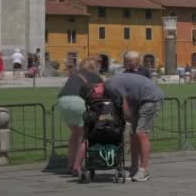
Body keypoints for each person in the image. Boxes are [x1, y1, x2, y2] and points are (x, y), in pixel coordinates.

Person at [106, 51, 164, 182]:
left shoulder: (111, 84)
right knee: (133, 134)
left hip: (150, 99)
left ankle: (143, 170)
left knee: (141, 133)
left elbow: (124, 102)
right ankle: (133, 168)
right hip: (140, 100)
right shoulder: (115, 80)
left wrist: (125, 116)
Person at [58, 60, 104, 178]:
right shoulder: (95, 76)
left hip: (62, 101)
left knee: (74, 133)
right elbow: (102, 94)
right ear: (94, 67)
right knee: (85, 136)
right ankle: (77, 167)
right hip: (78, 102)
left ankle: (70, 164)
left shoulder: (75, 75)